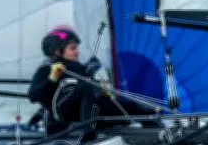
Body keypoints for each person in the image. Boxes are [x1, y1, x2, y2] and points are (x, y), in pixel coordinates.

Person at [27, 25, 158, 136]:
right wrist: (52, 79)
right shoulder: (46, 69)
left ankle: (159, 135)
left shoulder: (80, 68)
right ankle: (88, 137)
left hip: (92, 115)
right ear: (57, 52)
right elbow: (33, 96)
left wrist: (103, 92)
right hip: (65, 117)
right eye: (72, 48)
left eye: (76, 48)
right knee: (88, 87)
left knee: (138, 109)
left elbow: (92, 94)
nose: (77, 52)